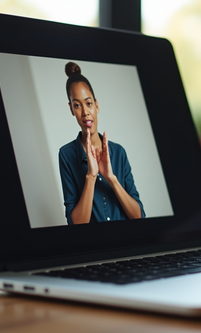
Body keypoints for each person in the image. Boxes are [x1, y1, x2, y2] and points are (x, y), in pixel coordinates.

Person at [59, 61, 145, 225]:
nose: (85, 112)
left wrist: (111, 178)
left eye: (89, 103)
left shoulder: (119, 152)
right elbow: (75, 224)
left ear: (97, 106)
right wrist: (91, 177)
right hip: (95, 247)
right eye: (77, 105)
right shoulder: (66, 155)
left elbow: (139, 216)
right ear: (71, 109)